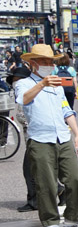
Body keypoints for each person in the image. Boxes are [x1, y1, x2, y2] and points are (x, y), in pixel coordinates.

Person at [15, 44, 78, 227]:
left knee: (75, 180)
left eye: (50, 61)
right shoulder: (24, 83)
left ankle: (74, 216)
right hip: (40, 139)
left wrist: (77, 133)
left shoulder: (57, 85)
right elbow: (23, 100)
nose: (48, 65)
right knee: (46, 183)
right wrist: (42, 84)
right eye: (43, 61)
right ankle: (50, 219)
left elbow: (66, 109)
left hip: (62, 136)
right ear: (32, 64)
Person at [10, 65, 37, 213]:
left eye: (16, 79)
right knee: (39, 168)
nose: (15, 83)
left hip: (34, 136)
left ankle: (34, 201)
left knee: (29, 170)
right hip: (35, 136)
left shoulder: (26, 94)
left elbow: (25, 117)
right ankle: (60, 190)